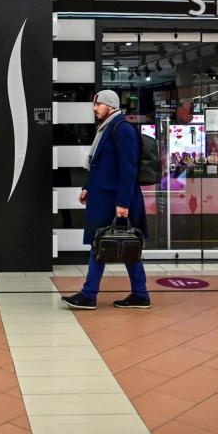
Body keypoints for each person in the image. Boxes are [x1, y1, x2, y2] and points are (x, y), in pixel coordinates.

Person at [61, 90, 151, 310]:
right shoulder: (107, 128)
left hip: (116, 200)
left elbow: (127, 169)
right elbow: (100, 165)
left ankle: (89, 294)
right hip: (105, 196)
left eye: (97, 104)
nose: (94, 109)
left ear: (110, 105)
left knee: (102, 243)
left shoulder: (122, 130)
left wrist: (123, 203)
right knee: (124, 245)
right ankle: (140, 294)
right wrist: (87, 187)